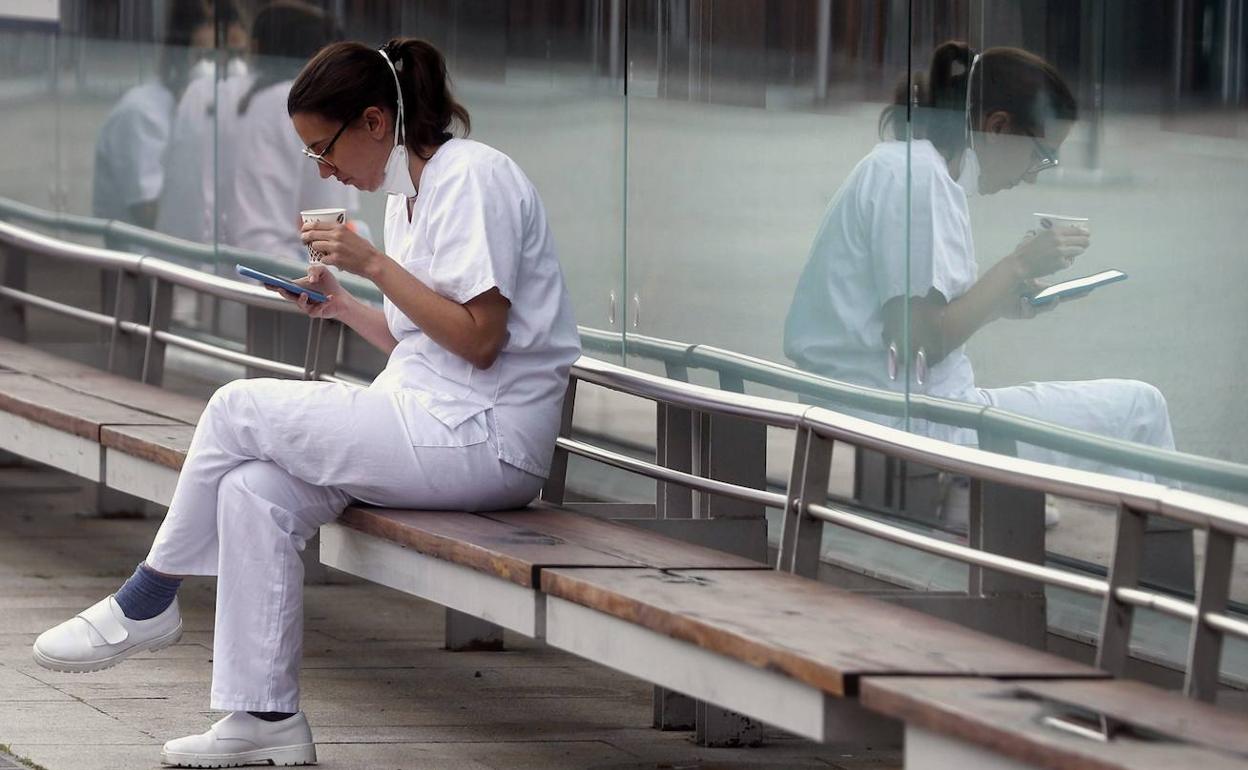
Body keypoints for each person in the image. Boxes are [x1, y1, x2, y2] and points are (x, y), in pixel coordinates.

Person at [32, 37, 580, 768]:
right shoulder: (408, 195)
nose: (323, 169)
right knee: (253, 491)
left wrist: (373, 264)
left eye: (324, 149)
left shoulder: (474, 178)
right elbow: (422, 340)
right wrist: (344, 304)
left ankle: (150, 596)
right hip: (431, 420)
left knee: (236, 406)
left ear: (375, 121)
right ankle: (266, 717)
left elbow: (481, 340)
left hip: (488, 440)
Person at [783, 42, 1175, 525]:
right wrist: (1015, 266)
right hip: (924, 431)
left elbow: (910, 325)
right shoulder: (920, 181)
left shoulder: (903, 167)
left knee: (1116, 420)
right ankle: (1156, 566)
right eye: (1042, 156)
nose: (1033, 177)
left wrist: (1001, 302)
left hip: (883, 416)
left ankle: (991, 499)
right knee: (1142, 408)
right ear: (999, 127)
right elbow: (917, 340)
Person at [224, 0, 358, 262]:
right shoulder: (307, 109)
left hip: (207, 266)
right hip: (277, 270)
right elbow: (328, 225)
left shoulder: (214, 94)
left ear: (256, 48)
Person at [90, 0, 217, 228]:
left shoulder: (211, 113)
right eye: (206, 58)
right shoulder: (142, 113)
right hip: (147, 248)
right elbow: (150, 214)